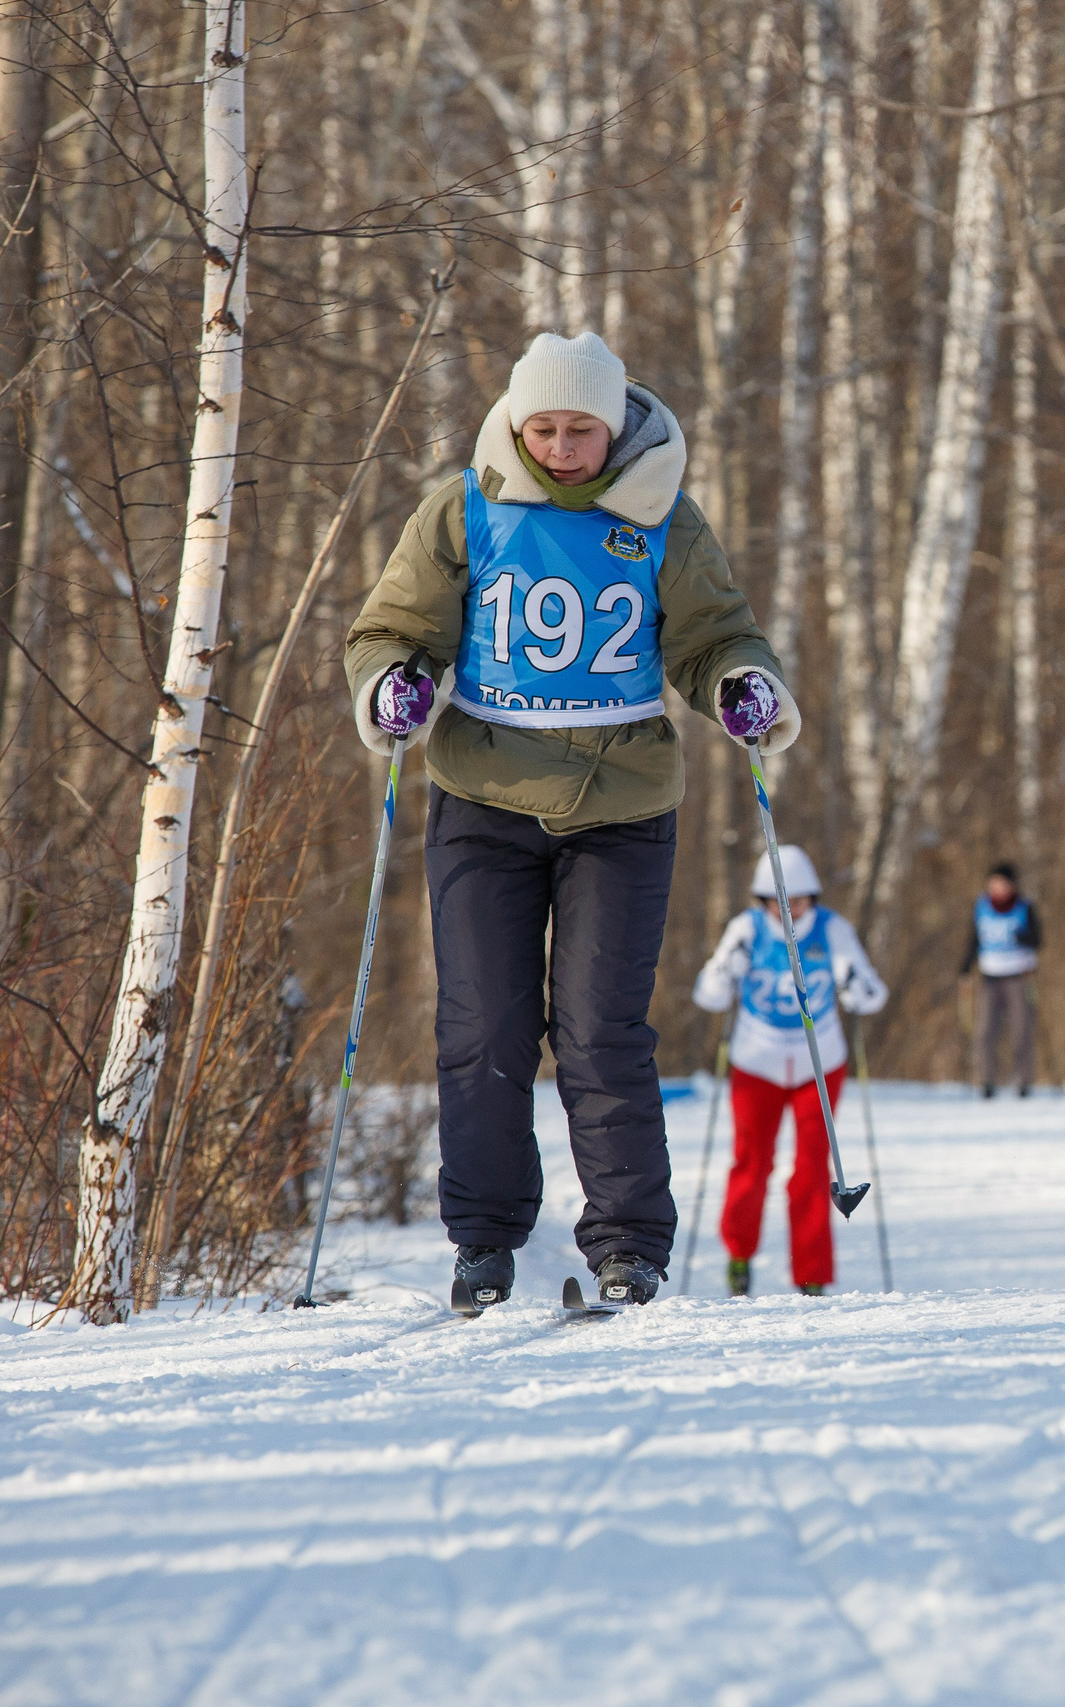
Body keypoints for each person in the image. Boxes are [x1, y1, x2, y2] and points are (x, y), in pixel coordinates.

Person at [347, 330, 799, 1312]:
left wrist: (741, 684)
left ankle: (628, 1247)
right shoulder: (465, 510)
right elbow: (394, 628)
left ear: (614, 426)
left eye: (579, 429)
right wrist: (394, 685)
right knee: (485, 1028)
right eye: (542, 426)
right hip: (482, 800)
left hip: (621, 807)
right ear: (516, 422)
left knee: (599, 1034)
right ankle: (483, 1245)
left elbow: (716, 636)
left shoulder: (665, 520)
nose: (559, 446)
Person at [691, 843, 888, 1295]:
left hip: (818, 1064)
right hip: (755, 1060)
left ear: (812, 899)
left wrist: (852, 981)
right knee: (751, 1162)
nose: (790, 911)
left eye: (798, 901)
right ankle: (739, 1256)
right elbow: (709, 995)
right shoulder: (746, 928)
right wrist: (727, 969)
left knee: (812, 1168)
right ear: (762, 901)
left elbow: (873, 996)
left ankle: (812, 1274)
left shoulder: (832, 931)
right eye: (779, 901)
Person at [961, 860, 1041, 1098]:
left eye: (1002, 883)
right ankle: (986, 1081)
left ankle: (1024, 1083)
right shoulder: (982, 906)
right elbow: (974, 939)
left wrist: (1023, 938)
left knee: (1021, 1030)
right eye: (993, 882)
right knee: (985, 1031)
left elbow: (1037, 940)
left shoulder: (1024, 907)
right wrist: (965, 967)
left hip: (1018, 976)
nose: (997, 887)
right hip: (990, 976)